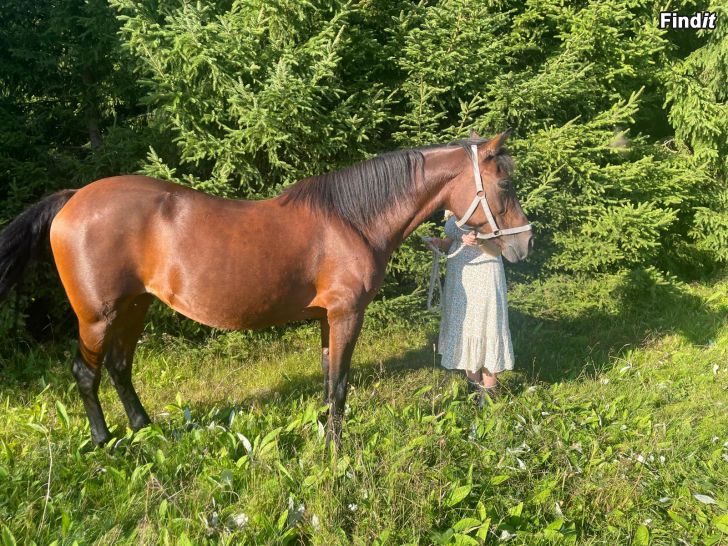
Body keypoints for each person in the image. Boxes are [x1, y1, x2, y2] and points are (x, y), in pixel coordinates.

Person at [425, 211, 514, 403]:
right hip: (460, 276)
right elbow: (452, 239)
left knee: (485, 327)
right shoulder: (457, 206)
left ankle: (490, 395)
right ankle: (474, 390)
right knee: (466, 327)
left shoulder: (489, 209)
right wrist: (440, 244)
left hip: (484, 274)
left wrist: (480, 241)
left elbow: (499, 249)